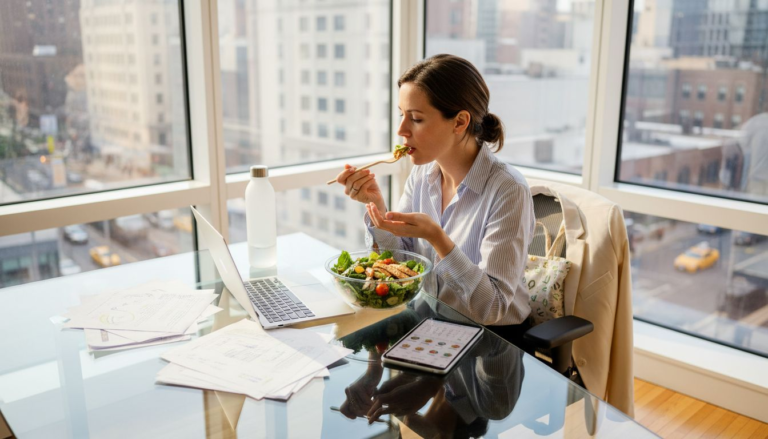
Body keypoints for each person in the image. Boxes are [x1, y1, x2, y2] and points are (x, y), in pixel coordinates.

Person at [334, 54, 535, 339]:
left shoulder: (508, 190)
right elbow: (400, 265)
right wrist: (376, 206)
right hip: (432, 322)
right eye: (402, 115)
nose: (401, 130)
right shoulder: (422, 174)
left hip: (495, 340)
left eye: (416, 118)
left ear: (460, 122)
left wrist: (437, 239)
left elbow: (492, 307)